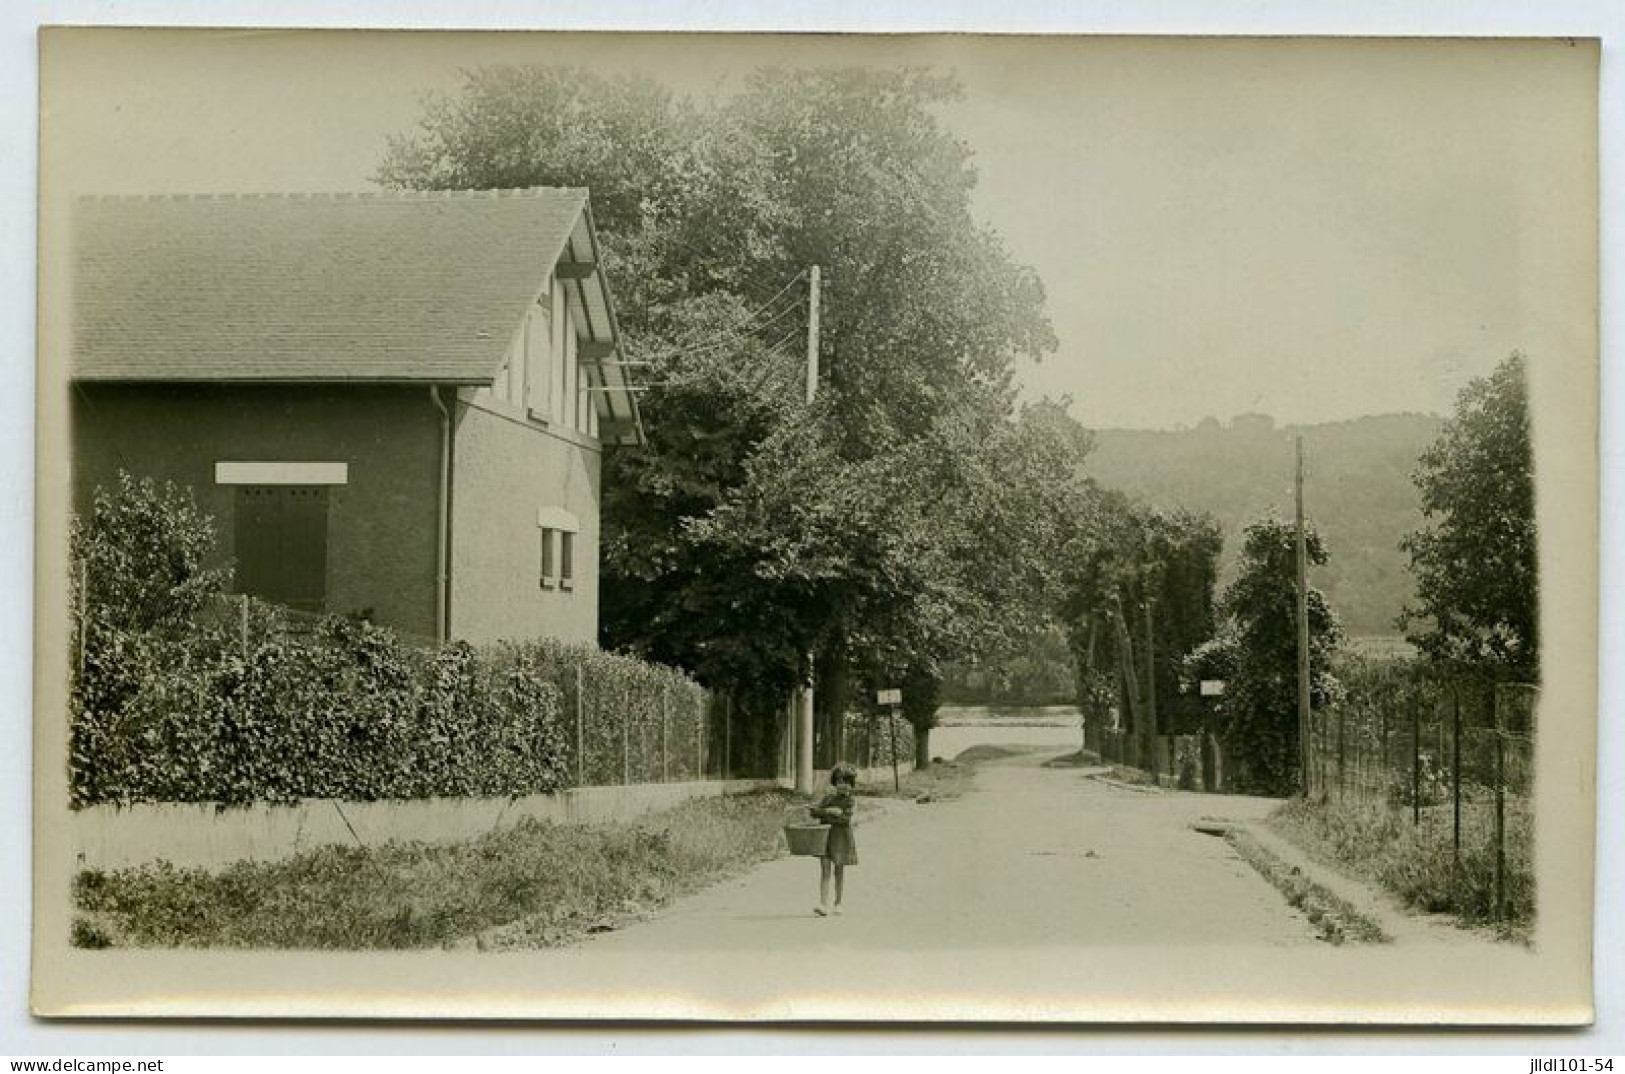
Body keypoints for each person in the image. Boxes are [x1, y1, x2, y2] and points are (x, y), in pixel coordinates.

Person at [809, 762, 859, 916]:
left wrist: (827, 814)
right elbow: (814, 813)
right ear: (835, 783)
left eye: (846, 782)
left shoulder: (850, 801)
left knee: (839, 871)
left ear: (851, 785)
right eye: (839, 782)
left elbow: (844, 820)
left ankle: (838, 903)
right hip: (825, 838)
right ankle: (823, 904)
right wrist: (828, 810)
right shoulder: (829, 799)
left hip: (841, 839)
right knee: (825, 870)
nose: (842, 785)